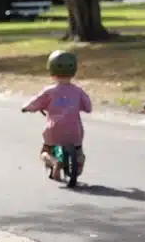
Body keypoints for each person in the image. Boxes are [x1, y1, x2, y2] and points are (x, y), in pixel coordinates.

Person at [21, 50, 92, 181]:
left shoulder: (49, 91)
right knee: (78, 149)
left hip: (54, 129)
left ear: (51, 70)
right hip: (74, 130)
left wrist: (26, 108)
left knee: (45, 150)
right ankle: (79, 163)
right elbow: (88, 107)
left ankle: (54, 161)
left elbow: (35, 102)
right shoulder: (78, 91)